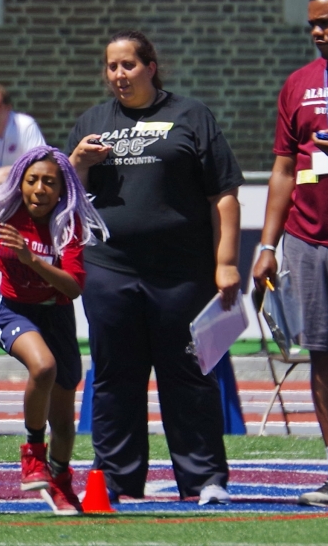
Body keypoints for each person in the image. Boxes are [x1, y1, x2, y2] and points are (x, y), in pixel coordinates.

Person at [66, 30, 243, 505]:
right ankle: (118, 483)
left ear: (151, 66)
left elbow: (223, 194)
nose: (119, 75)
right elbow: (65, 202)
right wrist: (77, 163)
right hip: (111, 270)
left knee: (188, 376)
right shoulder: (93, 121)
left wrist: (225, 261)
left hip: (181, 272)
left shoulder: (190, 116)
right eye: (111, 67)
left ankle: (205, 480)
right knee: (115, 378)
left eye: (128, 65)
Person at [252, 0, 328, 508]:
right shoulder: (297, 83)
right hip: (306, 238)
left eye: (327, 22)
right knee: (324, 355)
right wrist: (268, 244)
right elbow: (284, 169)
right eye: (312, 23)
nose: (316, 31)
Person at [0, 146, 107, 515]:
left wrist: (32, 260)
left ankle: (61, 482)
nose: (40, 189)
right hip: (13, 309)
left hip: (57, 315)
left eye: (49, 182)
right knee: (43, 367)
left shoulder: (68, 224)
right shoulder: (7, 210)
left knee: (64, 425)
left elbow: (74, 287)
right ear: (21, 183)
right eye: (32, 180)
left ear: (62, 188)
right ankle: (32, 453)